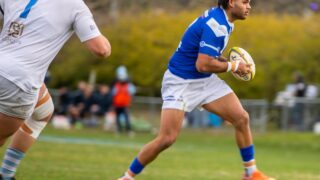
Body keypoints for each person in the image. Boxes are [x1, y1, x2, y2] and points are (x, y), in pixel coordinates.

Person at [118, 0, 274, 180]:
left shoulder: (223, 19)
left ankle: (251, 174)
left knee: (241, 118)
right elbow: (203, 64)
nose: (249, 6)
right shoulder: (217, 25)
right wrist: (233, 66)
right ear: (231, 2)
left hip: (203, 81)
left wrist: (225, 62)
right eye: (245, 2)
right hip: (180, 82)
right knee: (166, 139)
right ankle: (126, 177)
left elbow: (205, 56)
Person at [0, 0, 111, 179]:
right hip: (20, 81)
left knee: (44, 111)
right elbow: (101, 49)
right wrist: (105, 43)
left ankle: (6, 174)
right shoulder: (74, 5)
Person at [112, 66, 136, 133]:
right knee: (117, 118)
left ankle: (128, 130)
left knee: (127, 118)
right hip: (117, 105)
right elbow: (113, 94)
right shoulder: (116, 85)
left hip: (125, 105)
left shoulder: (129, 86)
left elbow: (132, 93)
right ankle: (119, 129)